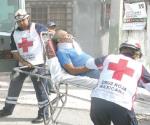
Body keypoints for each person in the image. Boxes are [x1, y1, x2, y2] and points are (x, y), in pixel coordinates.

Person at [0, 9, 49, 124]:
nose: (21, 23)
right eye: (19, 21)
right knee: (14, 86)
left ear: (28, 18)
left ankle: (44, 114)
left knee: (40, 89)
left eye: (23, 20)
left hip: (38, 63)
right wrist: (23, 61)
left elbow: (48, 43)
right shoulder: (14, 33)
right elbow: (14, 51)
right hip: (22, 64)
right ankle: (7, 110)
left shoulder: (38, 28)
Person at [85, 40, 150, 125]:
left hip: (98, 100)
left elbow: (88, 64)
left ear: (121, 50)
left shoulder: (109, 58)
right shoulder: (139, 66)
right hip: (122, 103)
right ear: (136, 54)